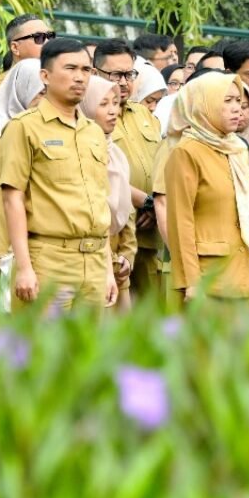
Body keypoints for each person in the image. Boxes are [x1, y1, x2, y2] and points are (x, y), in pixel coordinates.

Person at [0, 38, 116, 312]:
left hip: (96, 261)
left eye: (86, 70)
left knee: (89, 352)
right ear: (45, 76)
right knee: (44, 350)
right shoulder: (24, 127)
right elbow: (11, 199)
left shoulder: (94, 132)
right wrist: (25, 268)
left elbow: (100, 200)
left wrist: (108, 269)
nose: (80, 77)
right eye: (70, 68)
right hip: (50, 260)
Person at [165, 73, 249, 303]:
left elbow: (248, 216)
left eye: (238, 102)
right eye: (227, 100)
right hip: (208, 279)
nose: (237, 109)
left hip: (243, 275)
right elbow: (180, 222)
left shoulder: (236, 148)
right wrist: (190, 281)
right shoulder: (187, 152)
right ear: (204, 105)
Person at [94, 39, 162, 301]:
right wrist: (147, 203)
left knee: (150, 309)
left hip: (152, 228)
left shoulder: (144, 114)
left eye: (129, 74)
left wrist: (157, 204)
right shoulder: (90, 114)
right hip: (116, 232)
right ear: (95, 73)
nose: (123, 82)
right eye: (115, 74)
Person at [0, 60, 44, 291]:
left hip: (30, 245)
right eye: (39, 93)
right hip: (5, 248)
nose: (44, 100)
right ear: (22, 90)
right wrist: (2, 256)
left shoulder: (34, 129)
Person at [80, 76, 136, 311]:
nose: (113, 111)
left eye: (116, 103)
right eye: (103, 104)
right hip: (91, 261)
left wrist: (127, 254)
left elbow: (127, 212)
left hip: (118, 266)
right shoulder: (80, 151)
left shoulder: (117, 153)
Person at [0, 14, 54, 134]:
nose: (47, 43)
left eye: (50, 36)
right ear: (15, 47)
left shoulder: (56, 82)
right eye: (39, 38)